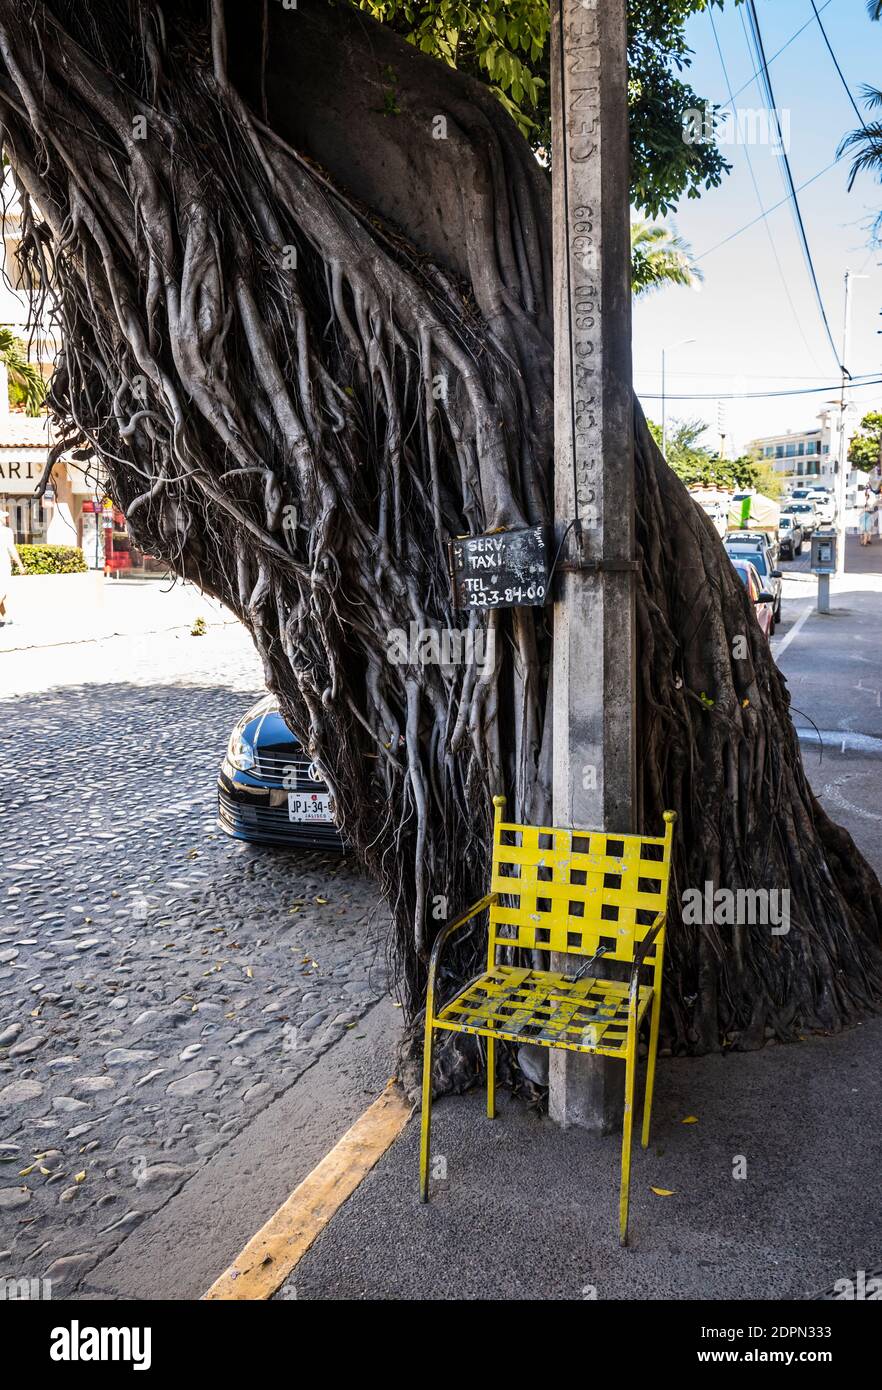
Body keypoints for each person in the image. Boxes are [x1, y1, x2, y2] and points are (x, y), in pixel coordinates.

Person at [0, 507, 26, 624]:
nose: (6, 519)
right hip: (3, 565)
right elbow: (12, 549)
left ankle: (5, 617)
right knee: (2, 591)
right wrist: (20, 565)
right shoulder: (6, 531)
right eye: (4, 517)